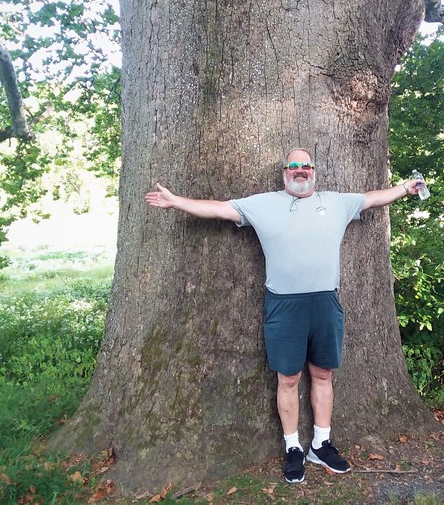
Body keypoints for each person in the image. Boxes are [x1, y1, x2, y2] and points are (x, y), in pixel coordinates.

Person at [144, 148, 425, 483]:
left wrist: (404, 188)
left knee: (323, 374)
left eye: (305, 165)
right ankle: (293, 447)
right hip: (284, 306)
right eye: (294, 166)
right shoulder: (263, 204)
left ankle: (321, 444)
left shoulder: (335, 202)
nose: (300, 170)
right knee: (288, 378)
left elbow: (371, 198)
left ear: (314, 171)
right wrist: (177, 202)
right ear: (284, 173)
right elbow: (219, 209)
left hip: (325, 303)